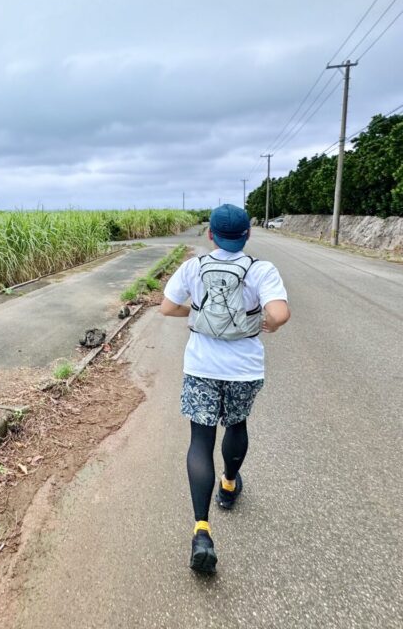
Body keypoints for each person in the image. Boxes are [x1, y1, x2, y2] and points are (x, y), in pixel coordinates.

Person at [159, 203, 290, 574]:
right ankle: (229, 485)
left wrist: (196, 314)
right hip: (243, 369)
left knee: (200, 441)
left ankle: (201, 530)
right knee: (236, 425)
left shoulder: (194, 267)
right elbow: (279, 314)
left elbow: (167, 308)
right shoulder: (261, 269)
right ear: (248, 234)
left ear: (210, 235)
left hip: (201, 366)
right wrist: (270, 325)